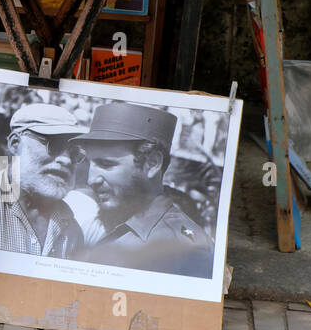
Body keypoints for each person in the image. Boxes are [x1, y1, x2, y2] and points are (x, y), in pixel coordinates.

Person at [72, 103, 214, 277]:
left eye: (106, 164)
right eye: (89, 163)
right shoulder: (113, 221)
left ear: (152, 163)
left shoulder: (180, 250)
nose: (90, 180)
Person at [0, 103, 87, 257]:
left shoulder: (72, 230)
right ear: (15, 144)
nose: (66, 160)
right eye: (54, 145)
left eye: (74, 153)